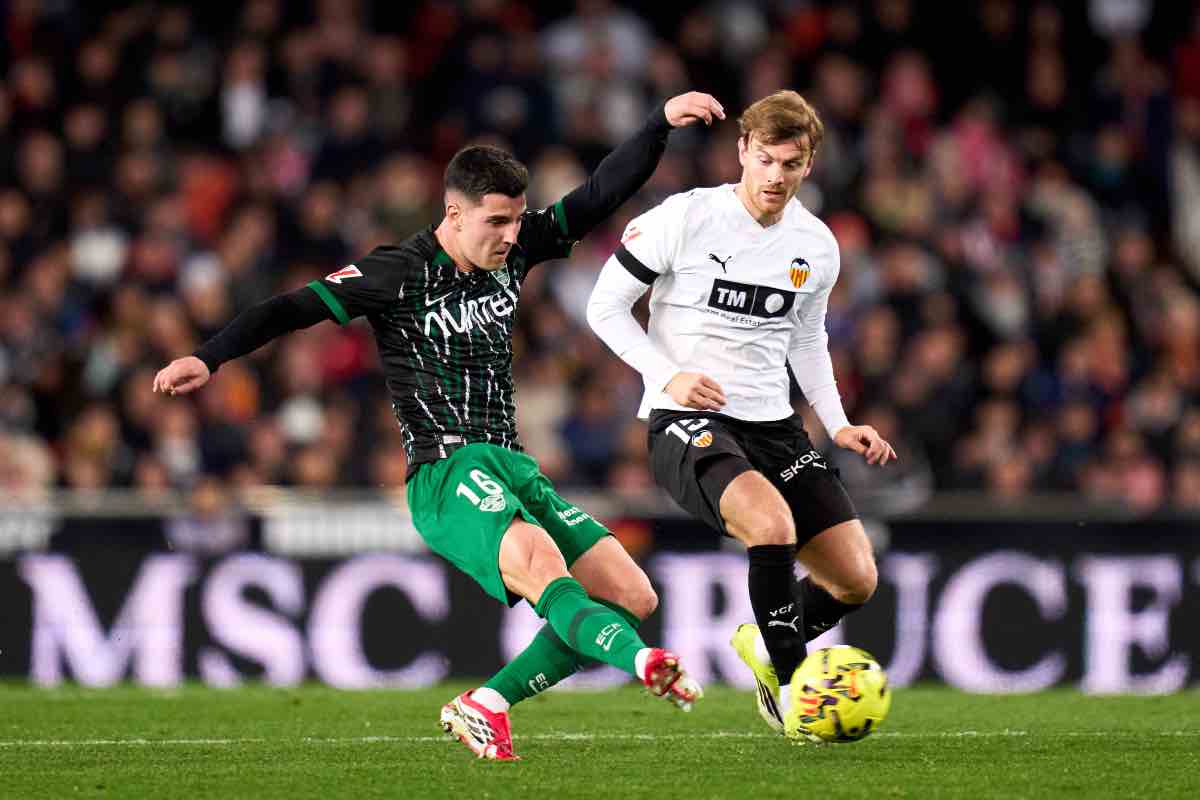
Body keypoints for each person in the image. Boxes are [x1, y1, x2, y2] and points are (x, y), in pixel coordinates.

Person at [153, 91, 726, 761]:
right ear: (453, 212)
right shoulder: (396, 272)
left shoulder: (514, 251)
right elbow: (289, 309)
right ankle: (646, 666)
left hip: (511, 463)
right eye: (497, 221)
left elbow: (599, 194)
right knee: (547, 574)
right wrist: (207, 356)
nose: (512, 235)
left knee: (631, 592)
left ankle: (485, 705)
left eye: (516, 220)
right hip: (447, 471)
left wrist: (658, 124)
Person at [585, 90, 895, 741]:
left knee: (855, 578)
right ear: (742, 152)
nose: (776, 177)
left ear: (809, 165)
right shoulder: (686, 217)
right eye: (766, 160)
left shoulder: (817, 245)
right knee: (769, 522)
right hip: (684, 419)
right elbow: (604, 306)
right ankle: (791, 690)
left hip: (775, 427)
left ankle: (767, 637)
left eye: (792, 163)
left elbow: (808, 340)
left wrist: (836, 423)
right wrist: (668, 374)